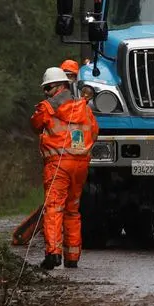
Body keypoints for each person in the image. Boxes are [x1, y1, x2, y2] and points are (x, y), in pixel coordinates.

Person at [30, 67, 99, 270]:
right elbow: (94, 132)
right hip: (80, 164)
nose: (45, 92)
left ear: (60, 86)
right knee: (72, 209)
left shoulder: (46, 108)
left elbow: (35, 125)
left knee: (54, 207)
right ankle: (72, 256)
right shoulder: (84, 107)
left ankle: (53, 254)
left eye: (48, 87)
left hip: (57, 164)